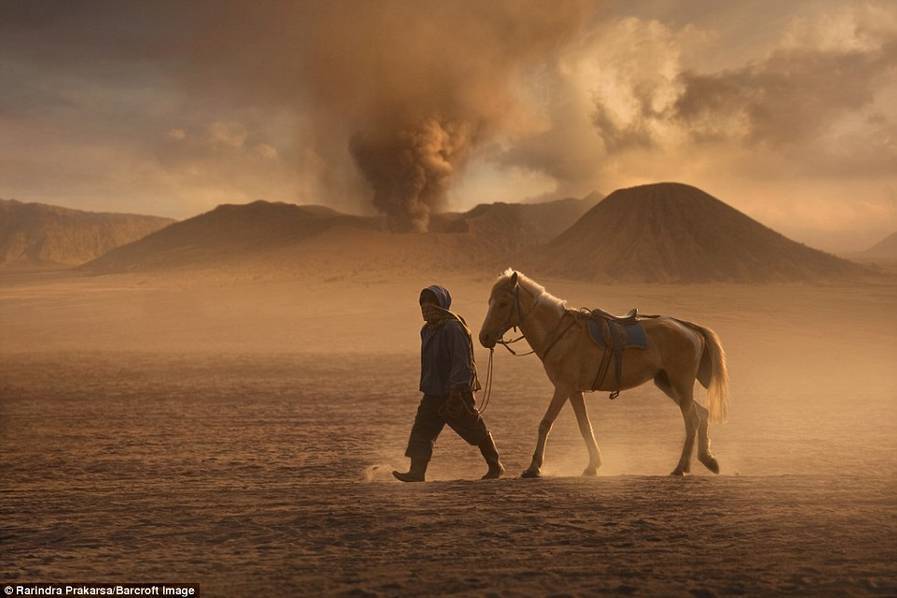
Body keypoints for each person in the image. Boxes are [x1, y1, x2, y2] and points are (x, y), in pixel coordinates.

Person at [393, 285, 504, 482]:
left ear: (442, 307)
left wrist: (456, 390)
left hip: (457, 390)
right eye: (423, 307)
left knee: (473, 427)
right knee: (422, 429)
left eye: (430, 307)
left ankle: (495, 466)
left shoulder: (453, 328)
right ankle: (416, 472)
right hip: (433, 391)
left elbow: (462, 361)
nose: (425, 311)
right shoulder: (426, 330)